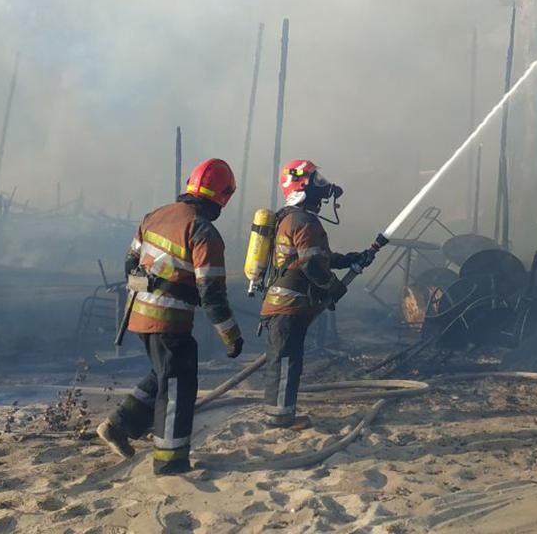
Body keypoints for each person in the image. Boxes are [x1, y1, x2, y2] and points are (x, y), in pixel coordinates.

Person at [97, 159, 244, 475]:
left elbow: (129, 263)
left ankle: (119, 425)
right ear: (223, 196)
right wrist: (231, 336)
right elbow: (212, 294)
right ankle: (170, 462)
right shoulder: (203, 231)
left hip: (138, 315)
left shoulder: (156, 215)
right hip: (168, 321)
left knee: (164, 372)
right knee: (178, 385)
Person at [259, 159, 373, 429]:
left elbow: (318, 258)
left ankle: (280, 414)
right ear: (302, 184)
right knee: (286, 363)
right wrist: (332, 287)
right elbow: (312, 264)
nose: (323, 186)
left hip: (284, 304)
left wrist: (349, 260)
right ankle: (280, 418)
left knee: (285, 359)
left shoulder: (289, 218)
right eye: (316, 180)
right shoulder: (304, 221)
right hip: (289, 305)